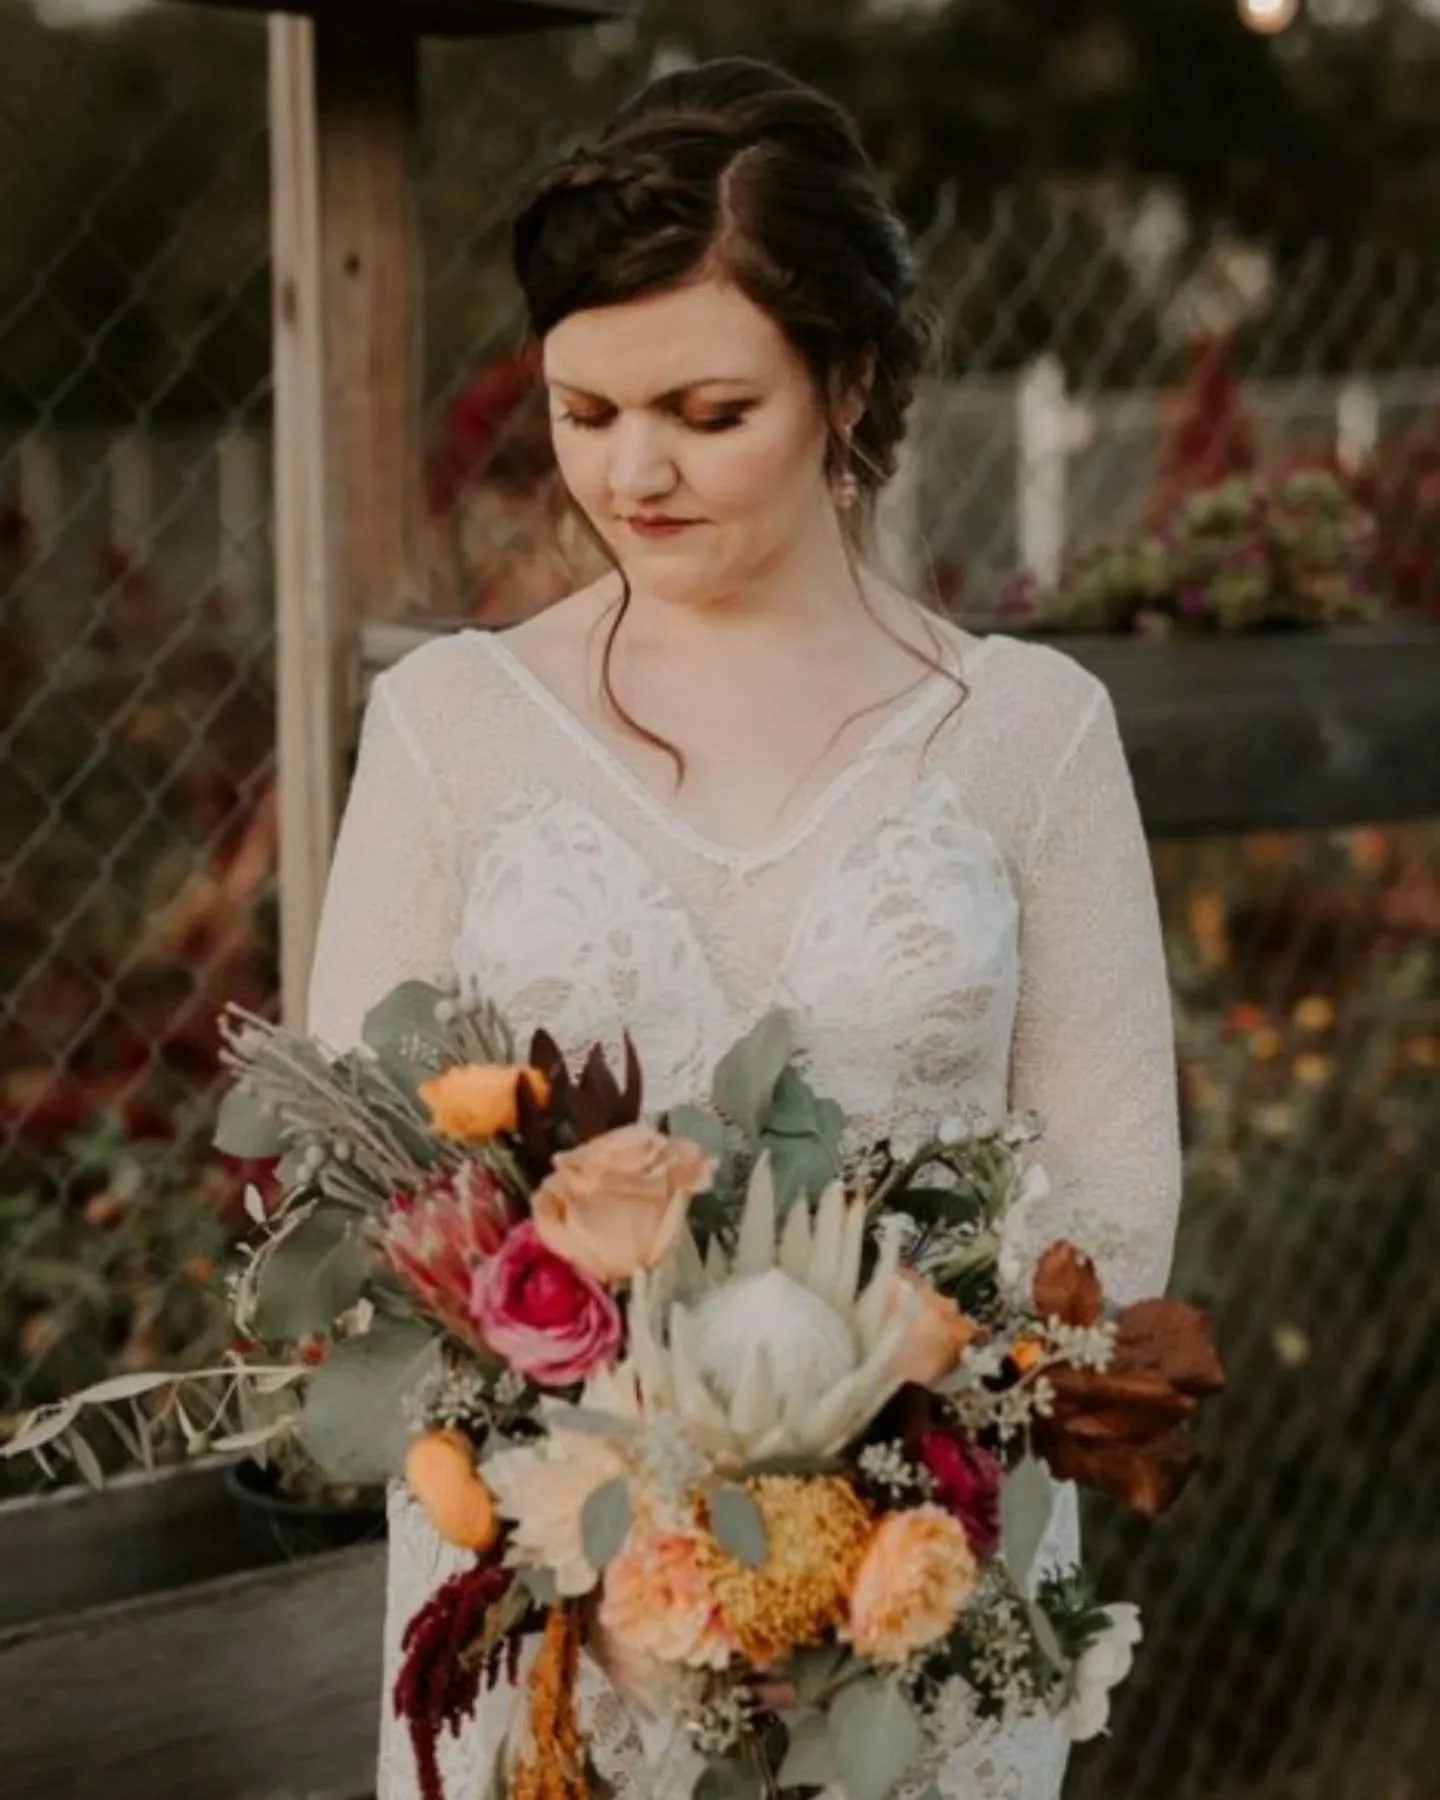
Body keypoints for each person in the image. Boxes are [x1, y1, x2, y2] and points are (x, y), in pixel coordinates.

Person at [305, 55, 1181, 1800]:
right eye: (583, 411)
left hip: (923, 1610)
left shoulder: (1029, 733)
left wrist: (876, 1520)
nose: (633, 473)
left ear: (848, 381)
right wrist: (595, 1538)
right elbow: (363, 1191)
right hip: (551, 1616)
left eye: (707, 415)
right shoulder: (452, 726)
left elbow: (1111, 1185)